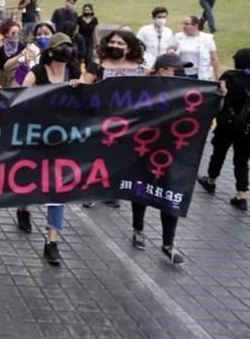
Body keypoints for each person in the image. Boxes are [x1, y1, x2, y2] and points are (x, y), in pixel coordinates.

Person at [18, 33, 81, 265]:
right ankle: (23, 207)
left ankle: (52, 241)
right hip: (36, 135)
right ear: (52, 51)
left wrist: (80, 87)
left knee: (58, 188)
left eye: (69, 46)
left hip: (62, 138)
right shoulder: (39, 72)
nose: (67, 50)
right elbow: (20, 95)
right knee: (29, 177)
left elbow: (86, 100)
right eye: (62, 46)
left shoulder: (73, 73)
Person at [129, 53, 193, 265]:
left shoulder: (186, 90)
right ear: (161, 69)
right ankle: (138, 229)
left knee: (171, 191)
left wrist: (218, 94)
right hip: (145, 147)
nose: (178, 73)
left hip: (173, 151)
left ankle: (168, 243)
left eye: (180, 70)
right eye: (173, 69)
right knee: (141, 189)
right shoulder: (145, 87)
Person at [81, 30, 148, 208]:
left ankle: (111, 191)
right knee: (97, 158)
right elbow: (83, 87)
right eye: (112, 42)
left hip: (127, 122)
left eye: (120, 44)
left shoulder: (140, 69)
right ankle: (91, 192)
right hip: (100, 120)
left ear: (129, 48)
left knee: (117, 158)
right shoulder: (98, 65)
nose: (115, 46)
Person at [198, 48, 250, 211]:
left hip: (226, 124)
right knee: (242, 160)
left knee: (219, 152)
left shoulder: (229, 76)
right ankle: (241, 195)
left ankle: (211, 180)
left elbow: (217, 96)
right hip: (247, 128)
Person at [175, 14, 218, 81]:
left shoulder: (207, 39)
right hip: (181, 75)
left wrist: (216, 78)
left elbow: (214, 59)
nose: (184, 26)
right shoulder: (177, 37)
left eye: (187, 24)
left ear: (195, 25)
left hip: (201, 76)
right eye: (183, 24)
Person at [137, 6, 177, 70]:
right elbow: (138, 46)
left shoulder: (168, 31)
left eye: (164, 17)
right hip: (147, 64)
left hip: (163, 64)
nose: (162, 19)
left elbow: (170, 47)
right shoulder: (144, 30)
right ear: (154, 17)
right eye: (159, 17)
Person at [0, 20, 22, 89]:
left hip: (13, 75)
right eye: (13, 33)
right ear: (6, 34)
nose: (16, 35)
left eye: (18, 33)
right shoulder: (0, 43)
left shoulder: (21, 45)